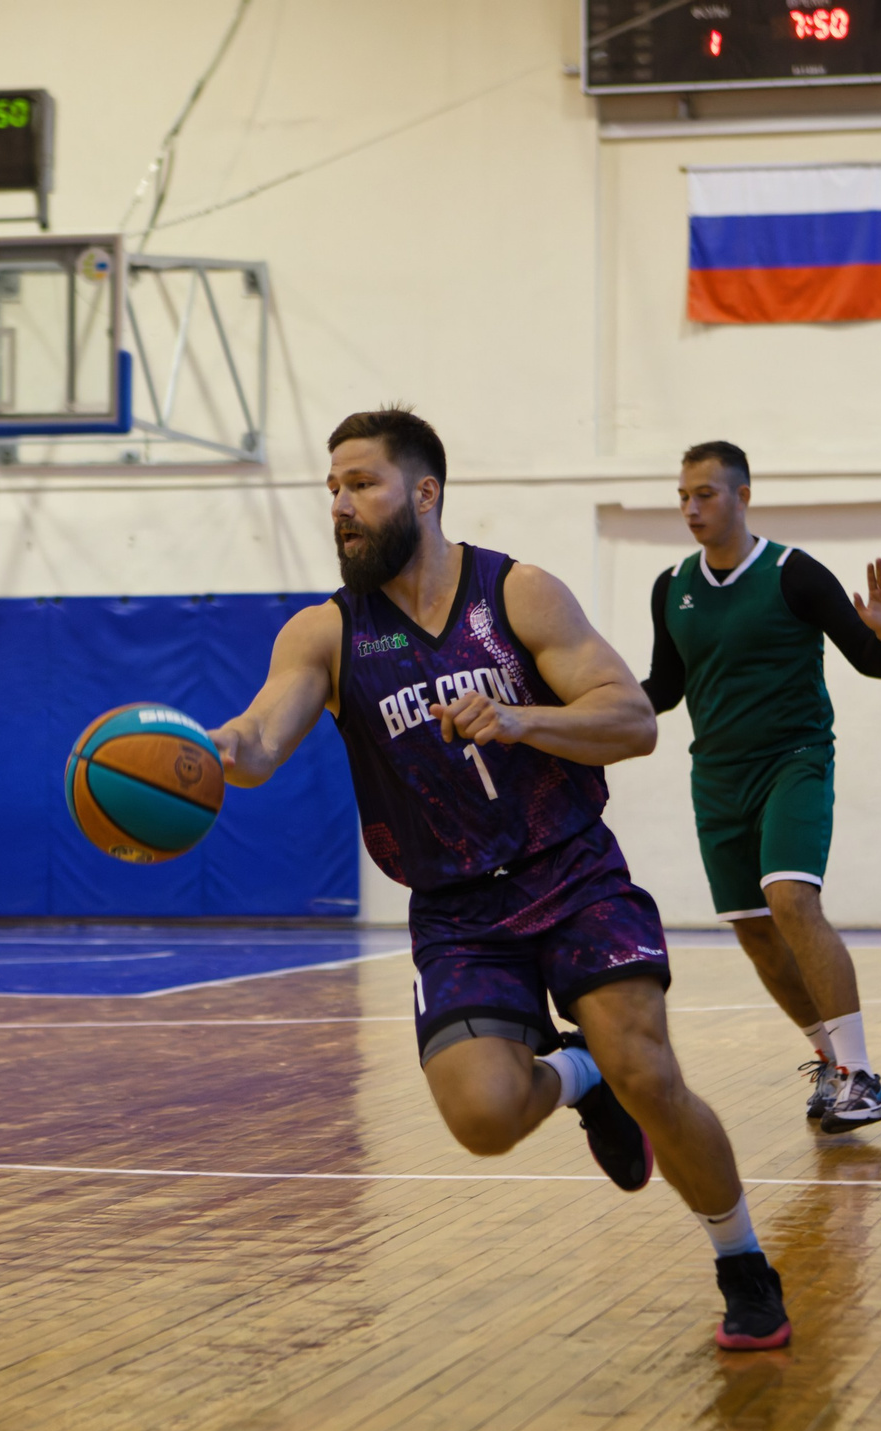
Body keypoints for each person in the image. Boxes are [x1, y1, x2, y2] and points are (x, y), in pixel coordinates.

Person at [209, 409, 791, 1351]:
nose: (341, 507)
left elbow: (631, 718)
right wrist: (205, 752)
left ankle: (741, 1259)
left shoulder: (516, 593)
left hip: (570, 869)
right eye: (332, 490)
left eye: (361, 485)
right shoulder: (325, 632)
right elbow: (262, 734)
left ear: (425, 492)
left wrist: (521, 719)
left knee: (651, 1068)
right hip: (455, 908)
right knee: (482, 1116)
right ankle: (578, 1074)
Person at [638, 441, 881, 1132]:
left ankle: (863, 1074)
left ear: (743, 494)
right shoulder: (671, 586)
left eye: (706, 493)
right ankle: (828, 1061)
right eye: (683, 496)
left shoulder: (794, 573)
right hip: (716, 775)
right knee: (756, 932)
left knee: (789, 897)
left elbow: (872, 663)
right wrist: (582, 696)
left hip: (795, 758)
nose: (692, 508)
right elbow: (662, 691)